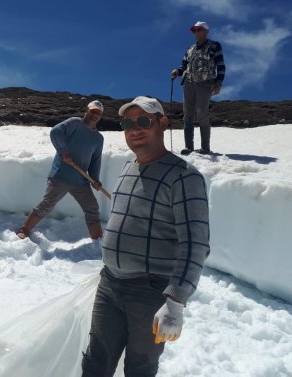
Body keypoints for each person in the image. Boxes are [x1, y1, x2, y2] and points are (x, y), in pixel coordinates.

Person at [81, 96, 210, 377]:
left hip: (149, 293)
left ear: (162, 124)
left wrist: (176, 301)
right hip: (110, 285)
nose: (134, 128)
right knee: (95, 361)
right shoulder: (129, 168)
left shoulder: (185, 177)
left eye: (144, 121)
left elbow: (196, 243)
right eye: (128, 122)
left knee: (140, 367)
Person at [16, 100, 105, 241]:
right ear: (86, 111)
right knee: (47, 204)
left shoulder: (98, 138)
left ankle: (98, 239)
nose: (95, 114)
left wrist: (95, 179)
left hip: (81, 181)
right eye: (93, 111)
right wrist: (64, 151)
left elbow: (95, 160)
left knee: (92, 208)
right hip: (61, 176)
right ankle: (24, 229)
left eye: (98, 113)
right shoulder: (75, 123)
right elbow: (56, 132)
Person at [171, 21, 226, 155]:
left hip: (205, 83)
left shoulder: (214, 45)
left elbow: (220, 64)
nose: (196, 32)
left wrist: (218, 82)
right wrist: (177, 72)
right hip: (189, 82)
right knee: (188, 115)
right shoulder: (190, 49)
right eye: (194, 30)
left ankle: (205, 148)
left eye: (199, 29)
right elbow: (184, 65)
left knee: (202, 113)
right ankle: (188, 147)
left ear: (206, 31)